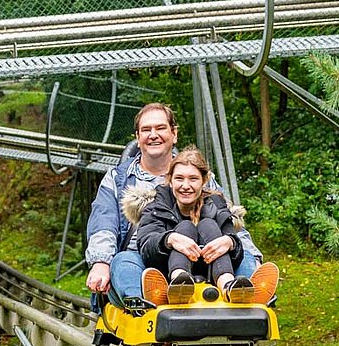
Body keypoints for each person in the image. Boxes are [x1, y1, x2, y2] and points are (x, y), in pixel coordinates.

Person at [85, 103, 262, 308]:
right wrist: (101, 261)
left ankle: (250, 296)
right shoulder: (118, 179)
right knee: (123, 262)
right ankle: (146, 302)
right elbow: (103, 223)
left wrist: (249, 254)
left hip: (205, 260)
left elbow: (228, 221)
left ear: (174, 134)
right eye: (146, 130)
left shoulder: (200, 177)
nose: (153, 135)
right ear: (137, 137)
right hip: (148, 261)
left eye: (160, 128)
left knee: (246, 258)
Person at [132, 147, 256, 303]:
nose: (185, 185)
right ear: (170, 181)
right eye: (179, 178)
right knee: (185, 228)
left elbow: (234, 244)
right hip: (167, 270)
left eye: (193, 179)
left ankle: (229, 287)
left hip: (212, 270)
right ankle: (180, 285)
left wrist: (230, 242)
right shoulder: (157, 206)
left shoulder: (217, 205)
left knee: (209, 225)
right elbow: (146, 246)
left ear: (204, 181)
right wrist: (169, 239)